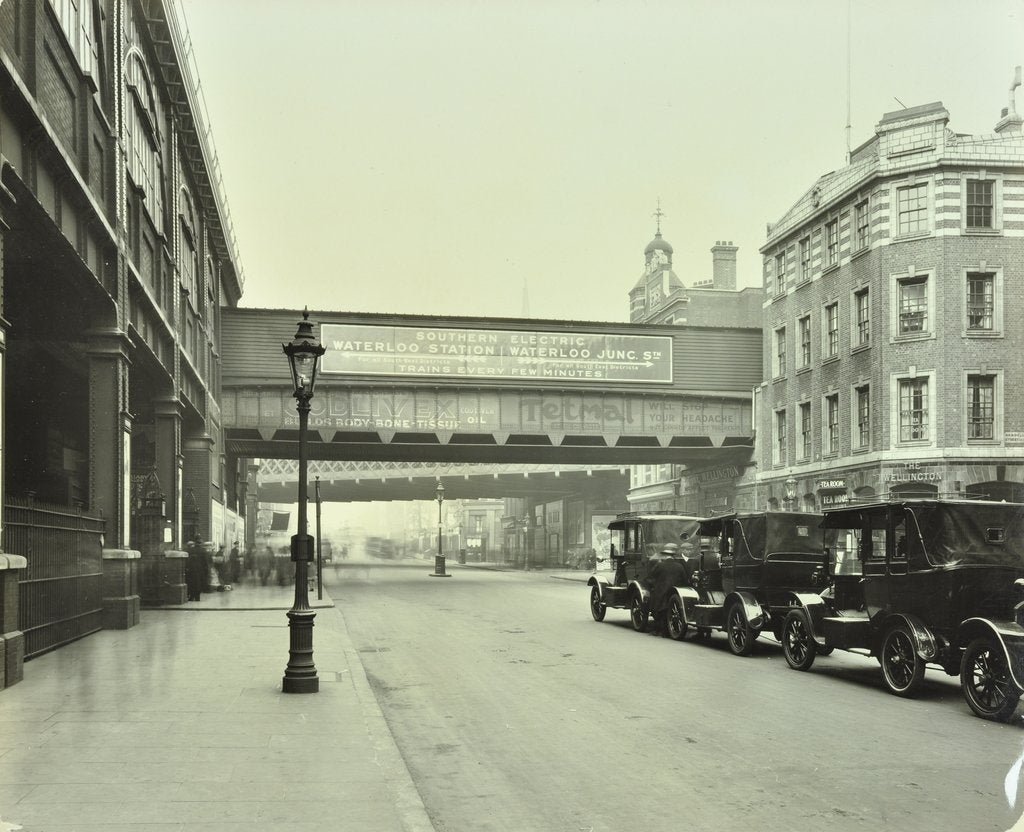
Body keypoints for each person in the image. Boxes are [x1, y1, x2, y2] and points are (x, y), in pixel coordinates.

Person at [185, 537, 205, 601]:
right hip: (200, 570)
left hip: (191, 570)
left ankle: (191, 597)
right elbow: (205, 562)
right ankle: (197, 597)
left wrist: (187, 568)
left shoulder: (190, 550)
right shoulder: (203, 550)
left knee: (191, 583)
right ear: (200, 543)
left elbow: (187, 560)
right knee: (198, 583)